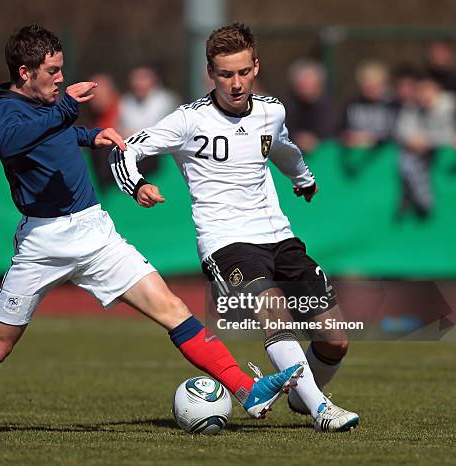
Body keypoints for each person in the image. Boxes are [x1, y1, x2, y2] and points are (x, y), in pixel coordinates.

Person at [0, 24, 303, 433]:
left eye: (61, 69)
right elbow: (17, 142)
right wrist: (68, 107)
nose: (61, 78)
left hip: (94, 230)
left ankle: (247, 390)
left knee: (172, 309)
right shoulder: (5, 111)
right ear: (26, 73)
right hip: (42, 242)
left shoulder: (48, 101)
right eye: (53, 71)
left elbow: (54, 137)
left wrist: (89, 136)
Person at [110, 23, 360, 432]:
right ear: (211, 74)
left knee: (335, 338)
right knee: (273, 313)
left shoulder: (271, 110)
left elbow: (282, 147)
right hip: (225, 242)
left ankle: (302, 395)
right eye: (226, 74)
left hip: (278, 235)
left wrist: (303, 178)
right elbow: (127, 150)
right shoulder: (188, 121)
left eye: (243, 72)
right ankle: (321, 409)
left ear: (256, 66)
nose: (236, 83)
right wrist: (136, 185)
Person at [394, 74, 455, 219]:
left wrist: (432, 140)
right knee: (405, 161)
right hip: (423, 158)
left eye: (428, 90)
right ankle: (420, 200)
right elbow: (403, 133)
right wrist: (415, 140)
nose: (425, 95)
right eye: (421, 91)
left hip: (446, 164)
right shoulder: (413, 108)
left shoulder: (451, 105)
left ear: (437, 90)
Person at [283, 59, 335, 155]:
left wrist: (315, 140)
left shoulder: (329, 107)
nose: (307, 90)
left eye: (310, 85)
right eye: (303, 85)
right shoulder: (288, 105)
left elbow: (332, 132)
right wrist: (297, 138)